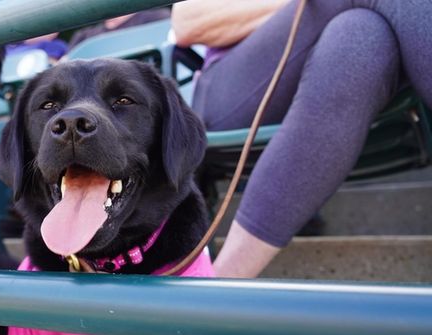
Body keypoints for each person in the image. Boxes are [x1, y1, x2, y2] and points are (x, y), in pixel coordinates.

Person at [170, 0, 432, 278]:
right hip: (232, 88)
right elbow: (185, 21)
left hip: (363, 66)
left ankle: (223, 282)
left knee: (358, 37)